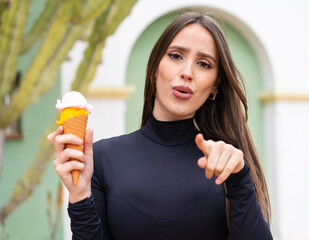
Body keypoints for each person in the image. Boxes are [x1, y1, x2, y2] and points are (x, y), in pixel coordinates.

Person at [48, 11, 273, 240]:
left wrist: (239, 178)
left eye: (204, 64)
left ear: (215, 85)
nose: (187, 73)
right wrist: (79, 194)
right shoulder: (101, 159)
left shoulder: (225, 164)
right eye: (176, 56)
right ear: (155, 67)